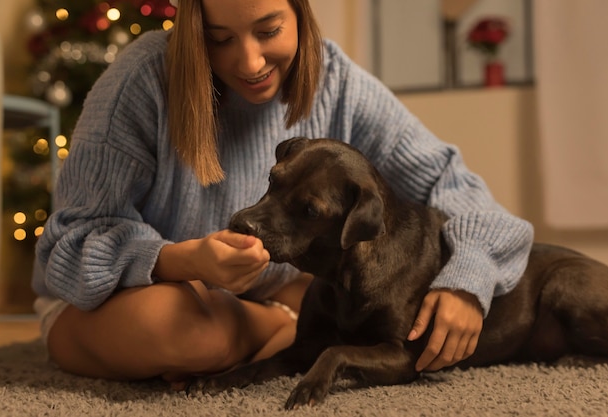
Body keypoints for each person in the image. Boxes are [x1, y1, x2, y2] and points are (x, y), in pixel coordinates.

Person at [32, 0, 533, 385]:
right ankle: (277, 325)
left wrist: (468, 279)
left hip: (269, 290)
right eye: (219, 38)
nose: (249, 61)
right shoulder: (141, 82)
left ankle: (274, 324)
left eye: (269, 30)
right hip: (121, 301)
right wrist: (183, 261)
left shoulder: (339, 84)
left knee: (305, 293)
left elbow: (455, 185)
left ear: (300, 13)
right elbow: (69, 243)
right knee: (178, 328)